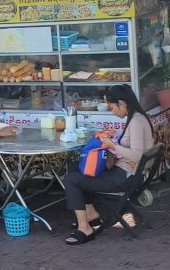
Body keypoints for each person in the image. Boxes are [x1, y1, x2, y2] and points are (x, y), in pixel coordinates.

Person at [63, 84, 155, 245]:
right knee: (76, 168)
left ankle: (84, 228)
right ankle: (91, 214)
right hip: (129, 173)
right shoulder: (138, 118)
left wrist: (112, 145)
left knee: (71, 179)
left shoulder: (136, 122)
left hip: (125, 177)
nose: (112, 112)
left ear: (121, 103)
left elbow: (136, 155)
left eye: (112, 108)